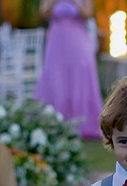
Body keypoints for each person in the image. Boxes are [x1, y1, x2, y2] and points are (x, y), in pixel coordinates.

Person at [35, 0, 101, 139]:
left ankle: (83, 124)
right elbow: (43, 15)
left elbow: (88, 14)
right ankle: (55, 122)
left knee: (79, 80)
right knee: (56, 79)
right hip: (57, 42)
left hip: (77, 40)